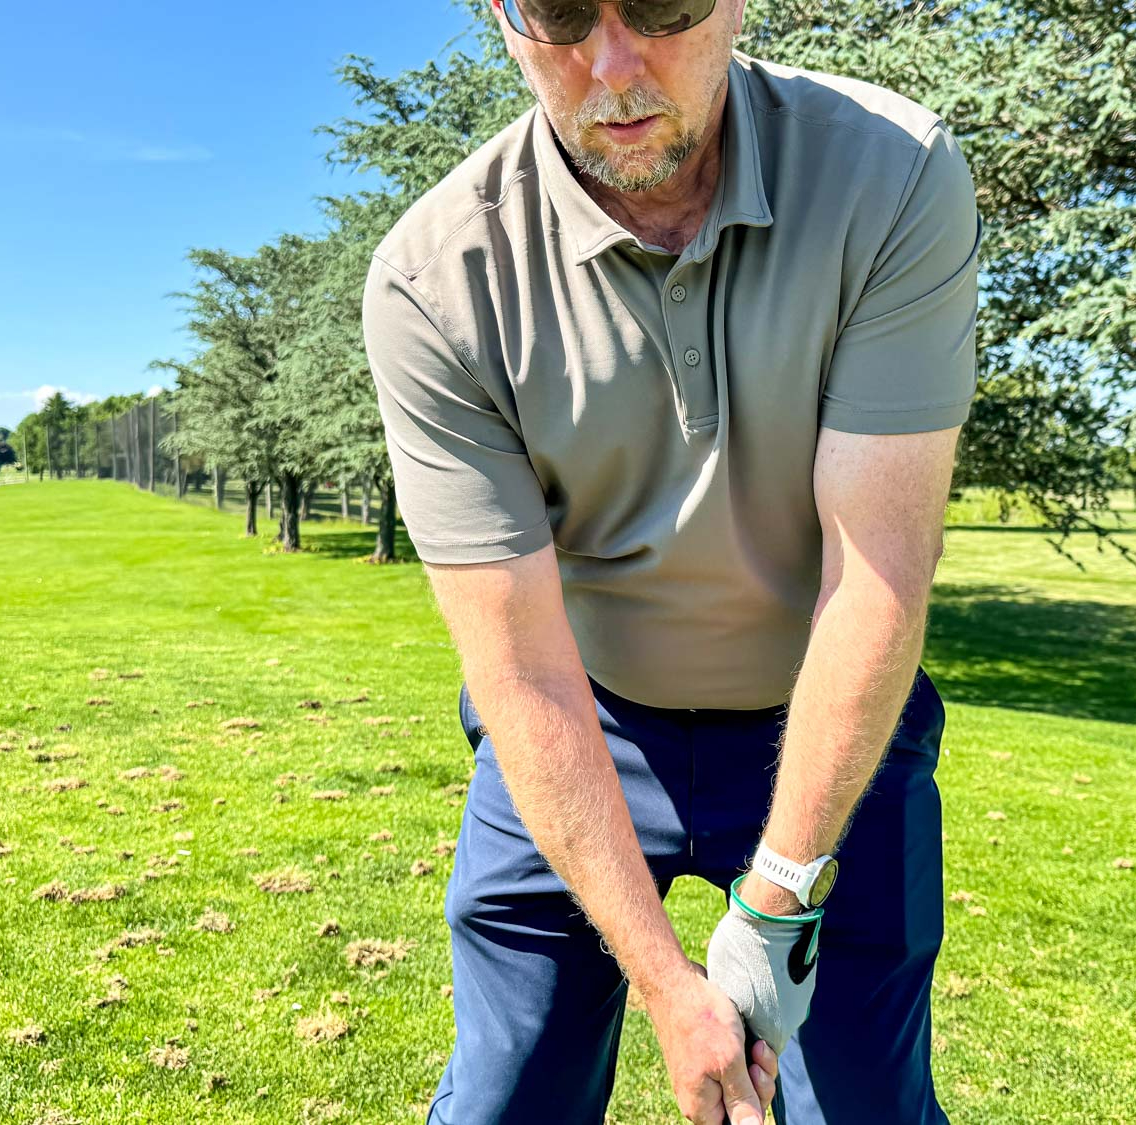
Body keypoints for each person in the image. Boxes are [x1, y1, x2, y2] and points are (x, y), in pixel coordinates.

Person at [363, 1, 980, 1121]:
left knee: (861, 1112)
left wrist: (780, 897)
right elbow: (521, 670)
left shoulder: (892, 173)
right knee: (505, 1104)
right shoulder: (430, 279)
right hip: (580, 724)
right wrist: (665, 983)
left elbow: (875, 572)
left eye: (658, 3)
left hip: (829, 723)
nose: (610, 64)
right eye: (552, 11)